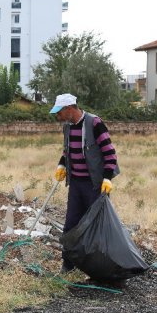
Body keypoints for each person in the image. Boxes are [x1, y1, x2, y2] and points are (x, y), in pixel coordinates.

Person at [50, 93, 118, 273]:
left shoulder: (94, 123)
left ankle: (100, 267)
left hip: (95, 186)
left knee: (97, 226)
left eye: (60, 112)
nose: (58, 117)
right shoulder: (68, 127)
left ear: (69, 109)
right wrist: (61, 165)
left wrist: (107, 178)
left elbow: (110, 154)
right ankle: (68, 264)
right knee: (71, 224)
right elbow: (67, 151)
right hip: (76, 185)